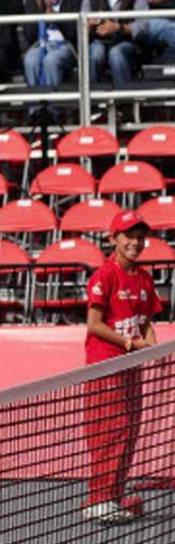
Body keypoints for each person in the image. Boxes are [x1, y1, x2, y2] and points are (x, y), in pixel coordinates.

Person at [82, 210, 161, 524]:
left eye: (140, 237)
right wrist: (130, 345)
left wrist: (153, 346)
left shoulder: (144, 278)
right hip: (105, 369)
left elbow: (147, 323)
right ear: (113, 239)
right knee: (108, 432)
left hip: (132, 370)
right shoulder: (104, 276)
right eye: (129, 236)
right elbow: (94, 325)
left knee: (128, 432)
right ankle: (98, 499)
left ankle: (114, 495)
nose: (136, 243)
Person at [81, 0, 149, 87]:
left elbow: (144, 26)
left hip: (128, 42)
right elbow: (81, 28)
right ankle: (92, 102)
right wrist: (89, 25)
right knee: (95, 53)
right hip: (98, 41)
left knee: (116, 53)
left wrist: (119, 28)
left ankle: (124, 101)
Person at [23, 0, 81, 89]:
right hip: (40, 44)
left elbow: (73, 34)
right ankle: (36, 106)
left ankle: (53, 106)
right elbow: (29, 36)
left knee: (51, 61)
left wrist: (55, 16)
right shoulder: (32, 1)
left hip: (65, 45)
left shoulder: (74, 0)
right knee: (30, 60)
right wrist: (40, 12)